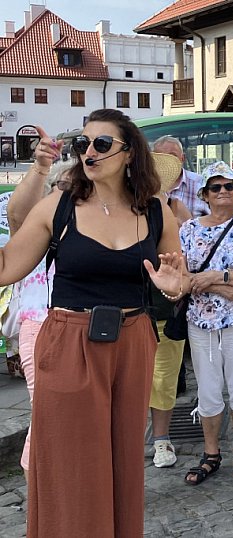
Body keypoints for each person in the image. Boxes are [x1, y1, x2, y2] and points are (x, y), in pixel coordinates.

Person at [0, 109, 184, 538]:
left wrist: (175, 286)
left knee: (124, 461)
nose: (89, 152)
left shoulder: (156, 211)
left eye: (102, 143)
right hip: (70, 343)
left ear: (129, 154)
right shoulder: (59, 206)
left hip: (133, 342)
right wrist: (38, 169)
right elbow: (6, 265)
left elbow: (179, 279)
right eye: (83, 144)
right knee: (70, 463)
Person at [179, 161, 233, 485]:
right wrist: (222, 287)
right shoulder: (188, 230)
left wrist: (217, 276)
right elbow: (182, 277)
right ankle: (211, 452)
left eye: (229, 186)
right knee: (208, 390)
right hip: (201, 322)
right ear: (204, 194)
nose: (223, 192)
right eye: (215, 187)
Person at [6, 153, 73, 485]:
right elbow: (16, 214)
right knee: (45, 414)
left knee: (70, 416)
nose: (70, 192)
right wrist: (41, 166)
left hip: (79, 328)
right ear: (50, 190)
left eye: (77, 187)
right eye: (63, 185)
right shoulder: (36, 226)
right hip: (40, 327)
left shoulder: (87, 227)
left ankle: (63, 489)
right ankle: (39, 498)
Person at [148, 152, 194, 468]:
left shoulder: (173, 208)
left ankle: (161, 439)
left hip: (165, 306)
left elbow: (187, 258)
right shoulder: (119, 211)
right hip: (127, 309)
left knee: (164, 378)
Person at [152, 135, 209, 218]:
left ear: (182, 158)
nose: (167, 161)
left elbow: (215, 220)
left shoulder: (200, 184)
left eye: (172, 156)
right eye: (161, 156)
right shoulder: (144, 186)